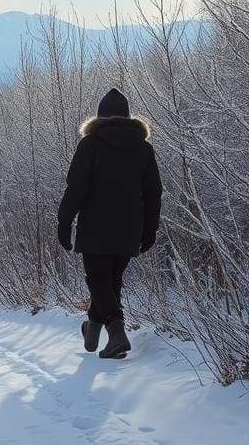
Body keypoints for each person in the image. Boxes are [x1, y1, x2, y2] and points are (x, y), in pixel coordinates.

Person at [57, 88, 163, 359]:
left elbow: (76, 187)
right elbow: (153, 192)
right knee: (111, 281)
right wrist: (150, 228)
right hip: (130, 227)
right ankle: (92, 331)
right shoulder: (144, 149)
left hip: (95, 226)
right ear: (128, 117)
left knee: (98, 279)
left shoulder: (89, 145)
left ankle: (117, 334)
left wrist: (64, 220)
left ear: (100, 117)